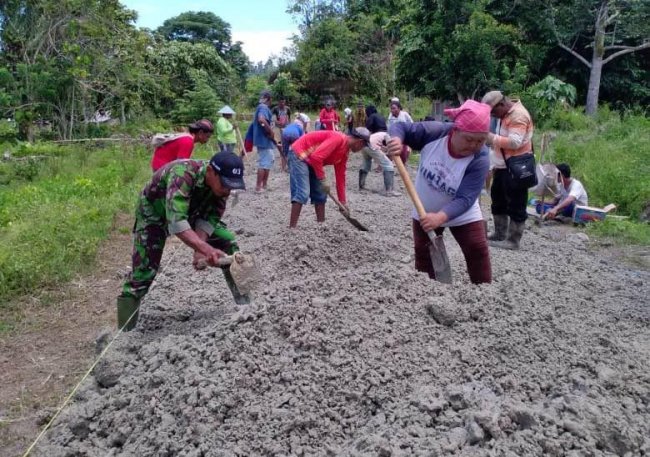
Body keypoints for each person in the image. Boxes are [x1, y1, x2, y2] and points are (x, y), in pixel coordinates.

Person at [117, 151, 248, 331]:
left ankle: (246, 307)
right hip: (154, 214)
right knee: (144, 273)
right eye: (225, 184)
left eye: (232, 186)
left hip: (191, 211)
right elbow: (177, 222)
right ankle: (125, 333)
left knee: (228, 242)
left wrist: (200, 250)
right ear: (211, 171)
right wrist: (207, 249)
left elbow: (208, 219)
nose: (228, 190)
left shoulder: (222, 189)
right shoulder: (183, 173)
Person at [387, 99, 492, 285]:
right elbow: (401, 127)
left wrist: (441, 217)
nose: (474, 145)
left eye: (481, 141)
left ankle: (484, 296)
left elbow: (466, 198)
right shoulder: (435, 133)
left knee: (477, 249)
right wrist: (396, 140)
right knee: (424, 253)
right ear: (455, 130)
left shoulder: (480, 158)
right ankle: (425, 292)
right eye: (469, 139)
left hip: (461, 211)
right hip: (425, 208)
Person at [481, 90, 535, 250]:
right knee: (498, 200)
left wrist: (489, 137)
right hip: (503, 166)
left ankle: (513, 240)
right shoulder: (506, 114)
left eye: (493, 112)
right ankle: (500, 233)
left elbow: (514, 142)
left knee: (516, 203)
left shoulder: (518, 116)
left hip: (516, 167)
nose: (493, 115)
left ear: (502, 104)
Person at [287, 127, 370, 228]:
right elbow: (317, 157)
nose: (361, 149)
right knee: (303, 192)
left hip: (311, 160)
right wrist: (322, 179)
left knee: (321, 194)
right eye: (363, 146)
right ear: (360, 142)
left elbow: (340, 177)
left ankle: (321, 227)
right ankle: (291, 230)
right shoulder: (338, 139)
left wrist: (342, 202)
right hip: (299, 153)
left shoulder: (345, 153)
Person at [359, 132, 401, 197]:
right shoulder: (388, 135)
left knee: (366, 164)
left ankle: (361, 186)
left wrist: (384, 150)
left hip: (364, 146)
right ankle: (389, 191)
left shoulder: (379, 134)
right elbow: (391, 148)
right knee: (388, 165)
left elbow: (381, 146)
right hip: (372, 147)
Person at [252, 90, 276, 192]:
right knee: (264, 163)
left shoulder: (262, 107)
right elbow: (261, 120)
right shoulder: (263, 107)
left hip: (265, 140)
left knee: (268, 161)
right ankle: (258, 187)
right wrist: (270, 131)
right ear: (269, 99)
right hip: (263, 140)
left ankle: (264, 185)